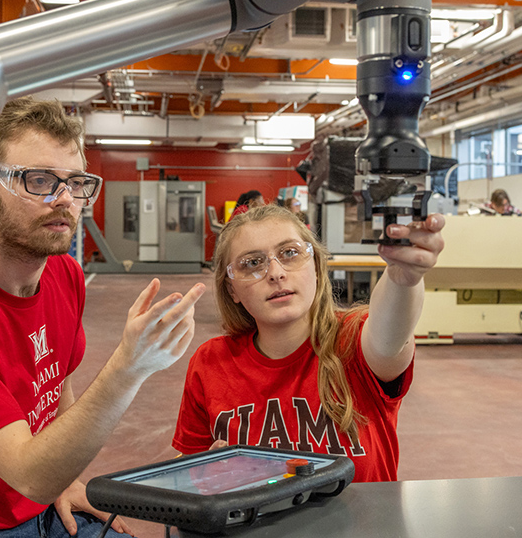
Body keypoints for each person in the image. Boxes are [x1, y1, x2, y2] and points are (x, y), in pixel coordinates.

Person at [0, 97, 206, 538]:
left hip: (42, 499)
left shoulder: (63, 274)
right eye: (40, 180)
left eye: (75, 183)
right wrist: (128, 368)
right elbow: (29, 474)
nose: (64, 199)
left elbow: (53, 384)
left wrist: (65, 479)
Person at [172, 204, 445, 482]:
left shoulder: (355, 341)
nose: (275, 273)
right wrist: (206, 474)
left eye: (289, 253)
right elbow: (189, 469)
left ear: (315, 267)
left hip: (362, 526)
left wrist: (404, 277)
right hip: (256, 526)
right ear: (232, 290)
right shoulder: (211, 361)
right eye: (253, 263)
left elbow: (391, 338)